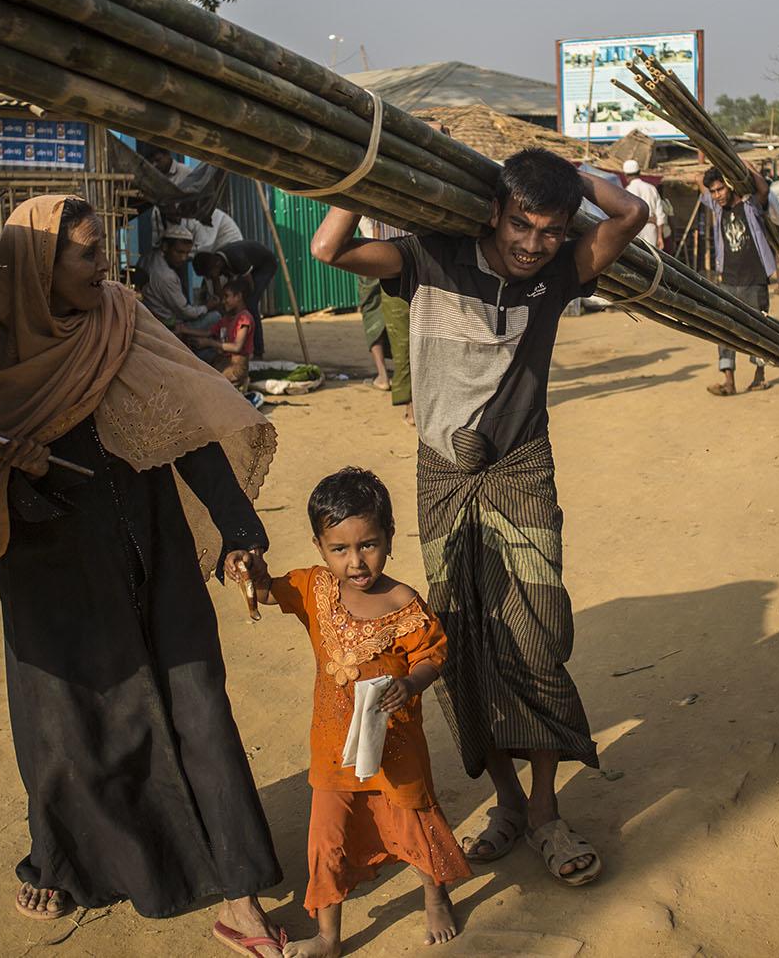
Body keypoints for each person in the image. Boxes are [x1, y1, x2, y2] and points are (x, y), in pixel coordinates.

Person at [0, 195, 287, 954]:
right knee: (72, 724)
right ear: (36, 265)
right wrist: (23, 475)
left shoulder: (121, 320)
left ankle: (240, 894)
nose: (104, 265)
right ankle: (64, 860)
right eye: (85, 253)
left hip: (151, 541)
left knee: (198, 702)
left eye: (102, 248)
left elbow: (186, 421)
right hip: (53, 566)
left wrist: (236, 527)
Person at [309, 148, 646, 888]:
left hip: (522, 468)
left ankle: (547, 812)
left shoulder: (561, 273)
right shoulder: (429, 256)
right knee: (462, 638)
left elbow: (632, 212)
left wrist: (568, 172)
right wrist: (361, 174)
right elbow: (326, 247)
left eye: (551, 229)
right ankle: (505, 806)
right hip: (442, 474)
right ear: (493, 209)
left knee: (534, 634)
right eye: (521, 223)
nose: (533, 243)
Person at [243, 468, 470, 956]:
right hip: (331, 749)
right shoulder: (315, 590)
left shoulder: (405, 604)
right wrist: (251, 573)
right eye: (339, 550)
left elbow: (434, 655)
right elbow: (267, 591)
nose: (356, 562)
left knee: (415, 820)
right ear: (319, 547)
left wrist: (410, 683)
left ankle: (435, 896)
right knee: (327, 839)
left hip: (396, 744)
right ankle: (328, 936)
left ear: (388, 536)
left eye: (368, 544)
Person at [698, 165, 774, 396]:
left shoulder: (750, 206)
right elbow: (697, 181)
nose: (717, 195)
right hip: (728, 278)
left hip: (754, 278)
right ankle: (728, 379)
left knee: (758, 328)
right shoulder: (717, 208)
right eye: (713, 191)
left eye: (720, 189)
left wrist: (745, 168)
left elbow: (763, 189)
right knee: (724, 328)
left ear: (730, 185)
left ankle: (759, 376)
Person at [355, 219, 414, 425]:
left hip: (389, 260)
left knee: (403, 335)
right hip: (388, 260)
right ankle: (408, 400)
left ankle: (407, 400)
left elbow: (325, 249)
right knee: (400, 333)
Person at [195, 240, 281, 359]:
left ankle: (258, 351)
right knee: (231, 303)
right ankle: (233, 343)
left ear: (217, 265)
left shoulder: (236, 258)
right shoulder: (218, 263)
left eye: (211, 274)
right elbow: (221, 297)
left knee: (250, 304)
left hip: (265, 266)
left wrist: (241, 307)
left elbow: (249, 287)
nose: (210, 277)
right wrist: (216, 281)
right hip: (250, 267)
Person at [140, 222, 218, 335]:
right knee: (216, 317)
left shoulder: (148, 258)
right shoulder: (166, 275)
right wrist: (207, 307)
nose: (183, 258)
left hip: (155, 318)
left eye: (187, 253)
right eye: (179, 252)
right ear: (165, 247)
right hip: (167, 326)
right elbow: (185, 312)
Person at [210, 276, 257, 386]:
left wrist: (210, 343)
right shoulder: (227, 319)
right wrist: (185, 330)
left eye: (226, 297)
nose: (223, 301)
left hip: (236, 367)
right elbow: (209, 332)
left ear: (238, 296)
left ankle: (241, 382)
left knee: (212, 382)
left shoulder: (244, 318)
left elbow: (237, 347)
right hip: (225, 361)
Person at [621, 159, 670, 251]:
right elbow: (660, 215)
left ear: (626, 175)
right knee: (652, 259)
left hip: (634, 230)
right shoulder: (651, 188)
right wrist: (660, 237)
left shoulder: (627, 191)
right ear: (639, 172)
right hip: (651, 230)